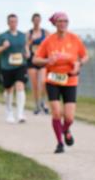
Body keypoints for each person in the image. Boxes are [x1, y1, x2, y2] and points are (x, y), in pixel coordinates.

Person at [32, 12, 88, 153]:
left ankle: (66, 129)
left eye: (65, 21)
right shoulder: (48, 40)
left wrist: (79, 64)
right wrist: (47, 61)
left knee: (69, 117)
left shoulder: (74, 39)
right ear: (55, 24)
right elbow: (35, 60)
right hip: (53, 79)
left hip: (70, 79)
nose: (63, 24)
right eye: (60, 21)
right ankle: (59, 143)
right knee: (56, 113)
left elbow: (85, 56)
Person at [0, 13, 30, 123]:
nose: (13, 23)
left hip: (20, 65)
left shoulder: (22, 35)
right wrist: (3, 47)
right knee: (9, 90)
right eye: (11, 21)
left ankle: (20, 114)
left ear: (17, 22)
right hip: (7, 67)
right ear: (8, 23)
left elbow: (26, 47)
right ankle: (9, 112)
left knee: (20, 86)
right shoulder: (3, 36)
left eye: (15, 21)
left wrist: (27, 53)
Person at [26, 13, 49, 115]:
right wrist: (27, 51)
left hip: (42, 60)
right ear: (32, 21)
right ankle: (36, 105)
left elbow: (51, 43)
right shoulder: (29, 33)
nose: (37, 22)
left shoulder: (45, 32)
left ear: (40, 21)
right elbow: (26, 45)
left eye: (38, 20)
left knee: (43, 82)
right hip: (32, 60)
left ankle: (43, 101)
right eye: (35, 20)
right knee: (35, 85)